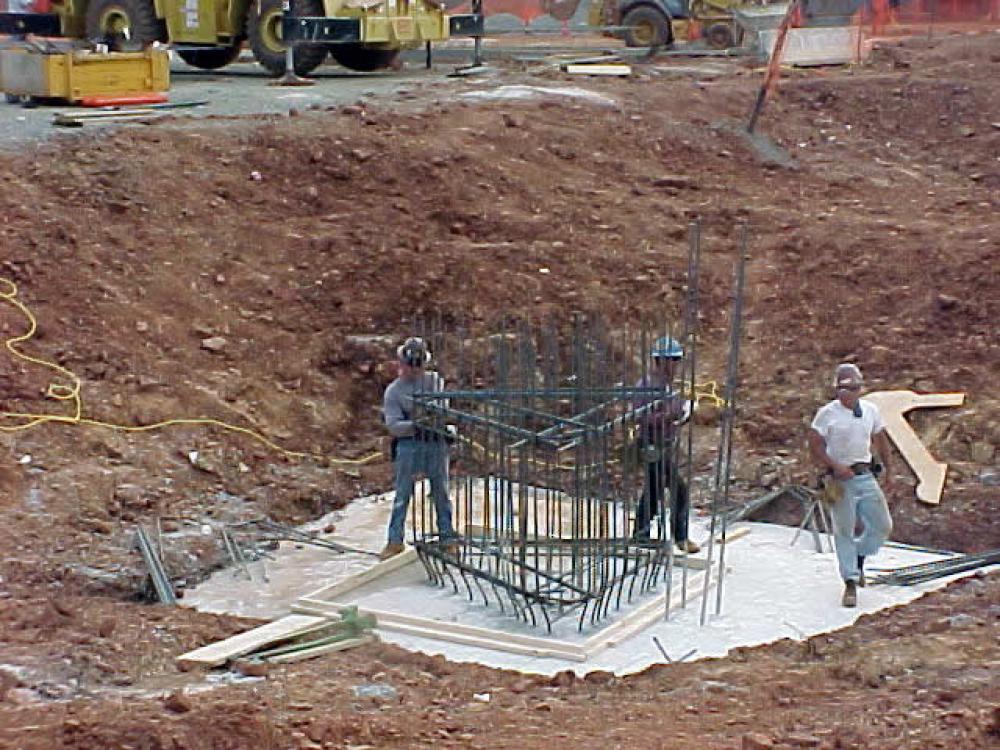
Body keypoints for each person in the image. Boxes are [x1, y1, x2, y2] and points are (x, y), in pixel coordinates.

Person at [808, 363, 895, 608]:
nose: (848, 394)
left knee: (882, 526)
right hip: (840, 479)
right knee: (844, 530)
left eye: (853, 389)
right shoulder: (827, 414)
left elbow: (881, 440)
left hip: (865, 474)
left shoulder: (870, 411)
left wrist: (889, 470)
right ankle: (850, 581)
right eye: (844, 389)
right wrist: (834, 465)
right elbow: (814, 444)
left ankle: (859, 557)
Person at [381, 337, 456, 560]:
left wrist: (434, 416)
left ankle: (447, 537)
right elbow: (393, 425)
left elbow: (444, 407)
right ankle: (395, 541)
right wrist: (416, 424)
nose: (414, 371)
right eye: (409, 366)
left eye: (418, 367)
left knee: (441, 491)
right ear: (401, 364)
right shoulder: (394, 392)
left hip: (435, 442)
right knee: (403, 493)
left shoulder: (434, 381)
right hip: (409, 444)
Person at [633, 335, 701, 554]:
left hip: (664, 444)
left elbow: (674, 411)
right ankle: (680, 538)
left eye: (677, 360)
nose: (675, 365)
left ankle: (641, 533)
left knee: (653, 491)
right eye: (671, 360)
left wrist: (683, 412)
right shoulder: (646, 386)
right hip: (651, 445)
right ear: (660, 360)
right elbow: (639, 417)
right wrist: (669, 415)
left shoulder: (667, 386)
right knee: (678, 490)